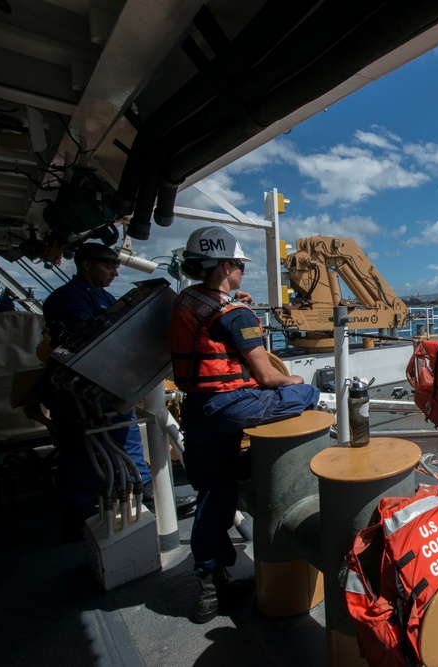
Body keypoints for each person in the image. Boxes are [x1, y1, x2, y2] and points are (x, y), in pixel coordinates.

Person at [169, 226, 319, 624]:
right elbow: (268, 377)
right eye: (237, 264)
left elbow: (209, 328)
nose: (241, 271)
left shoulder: (187, 300)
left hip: (197, 409)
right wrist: (296, 382)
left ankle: (209, 585)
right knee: (308, 394)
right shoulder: (237, 315)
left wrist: (232, 303)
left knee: (213, 493)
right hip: (230, 406)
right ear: (223, 266)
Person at [41, 243, 153, 530]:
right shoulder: (66, 299)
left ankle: (145, 493)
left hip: (111, 384)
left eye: (117, 266)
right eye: (109, 266)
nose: (115, 272)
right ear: (86, 265)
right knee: (81, 448)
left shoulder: (103, 297)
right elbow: (88, 338)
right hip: (81, 390)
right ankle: (80, 512)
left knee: (126, 438)